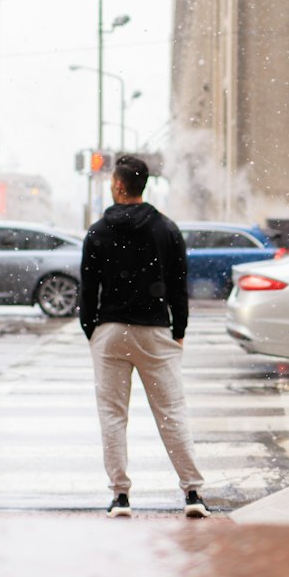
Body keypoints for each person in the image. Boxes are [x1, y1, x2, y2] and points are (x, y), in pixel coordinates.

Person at [80, 153, 210, 518]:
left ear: (119, 186)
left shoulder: (98, 232)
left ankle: (120, 497)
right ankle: (192, 493)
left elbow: (87, 293)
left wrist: (94, 331)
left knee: (112, 415)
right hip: (155, 330)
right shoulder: (166, 229)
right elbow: (178, 286)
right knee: (171, 412)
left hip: (110, 331)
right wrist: (178, 330)